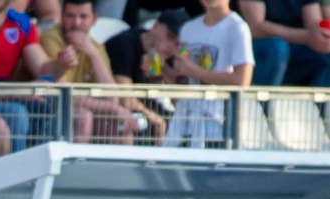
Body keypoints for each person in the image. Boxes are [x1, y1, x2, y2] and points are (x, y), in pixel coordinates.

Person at [36, 0, 136, 145]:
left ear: (94, 19)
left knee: (121, 127)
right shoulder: (50, 39)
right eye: (70, 16)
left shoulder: (95, 47)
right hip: (43, 110)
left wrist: (94, 55)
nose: (76, 23)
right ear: (62, 16)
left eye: (83, 17)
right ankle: (75, 161)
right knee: (83, 117)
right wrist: (114, 109)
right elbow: (64, 94)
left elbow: (112, 96)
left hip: (79, 110)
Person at [0, 0, 72, 153]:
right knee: (16, 113)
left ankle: (46, 162)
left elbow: (43, 69)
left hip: (6, 92)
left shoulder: (21, 23)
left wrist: (61, 66)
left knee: (49, 100)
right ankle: (19, 167)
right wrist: (19, 91)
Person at [163, 0, 253, 148]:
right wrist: (162, 68)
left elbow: (242, 80)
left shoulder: (237, 28)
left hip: (219, 124)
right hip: (185, 122)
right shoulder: (188, 29)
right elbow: (182, 78)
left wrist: (196, 72)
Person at [105, 9, 188, 144]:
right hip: (114, 112)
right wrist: (155, 118)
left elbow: (179, 103)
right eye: (170, 37)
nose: (172, 46)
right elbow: (124, 98)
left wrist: (164, 72)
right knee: (141, 124)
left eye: (178, 44)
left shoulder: (169, 55)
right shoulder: (125, 44)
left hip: (148, 109)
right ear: (155, 26)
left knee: (185, 126)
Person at [239, 0, 330, 87]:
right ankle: (264, 97)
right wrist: (305, 36)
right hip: (257, 50)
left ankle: (318, 97)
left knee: (326, 54)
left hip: (295, 50)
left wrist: (322, 37)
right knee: (276, 48)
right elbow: (255, 28)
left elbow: (313, 24)